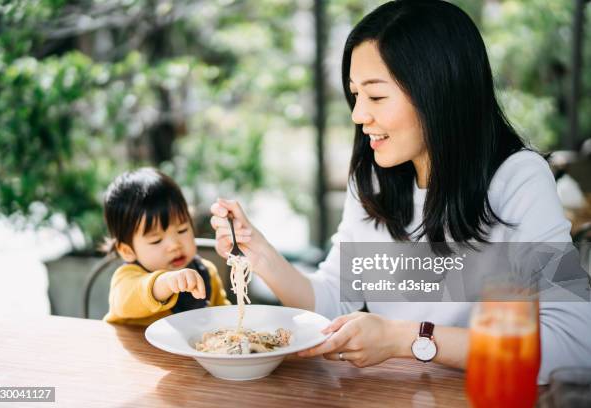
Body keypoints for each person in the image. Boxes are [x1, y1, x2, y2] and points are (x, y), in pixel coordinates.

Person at [209, 0, 591, 383]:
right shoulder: (374, 178)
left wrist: (407, 339)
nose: (359, 115)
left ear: (438, 91)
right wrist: (259, 254)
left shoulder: (518, 179)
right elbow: (331, 301)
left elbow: (575, 345)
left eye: (376, 97)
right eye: (355, 95)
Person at [103, 167, 229, 326]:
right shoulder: (127, 278)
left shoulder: (206, 273)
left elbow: (224, 317)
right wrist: (166, 282)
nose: (174, 245)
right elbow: (125, 300)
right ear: (127, 251)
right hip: (133, 350)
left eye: (182, 230)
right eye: (156, 240)